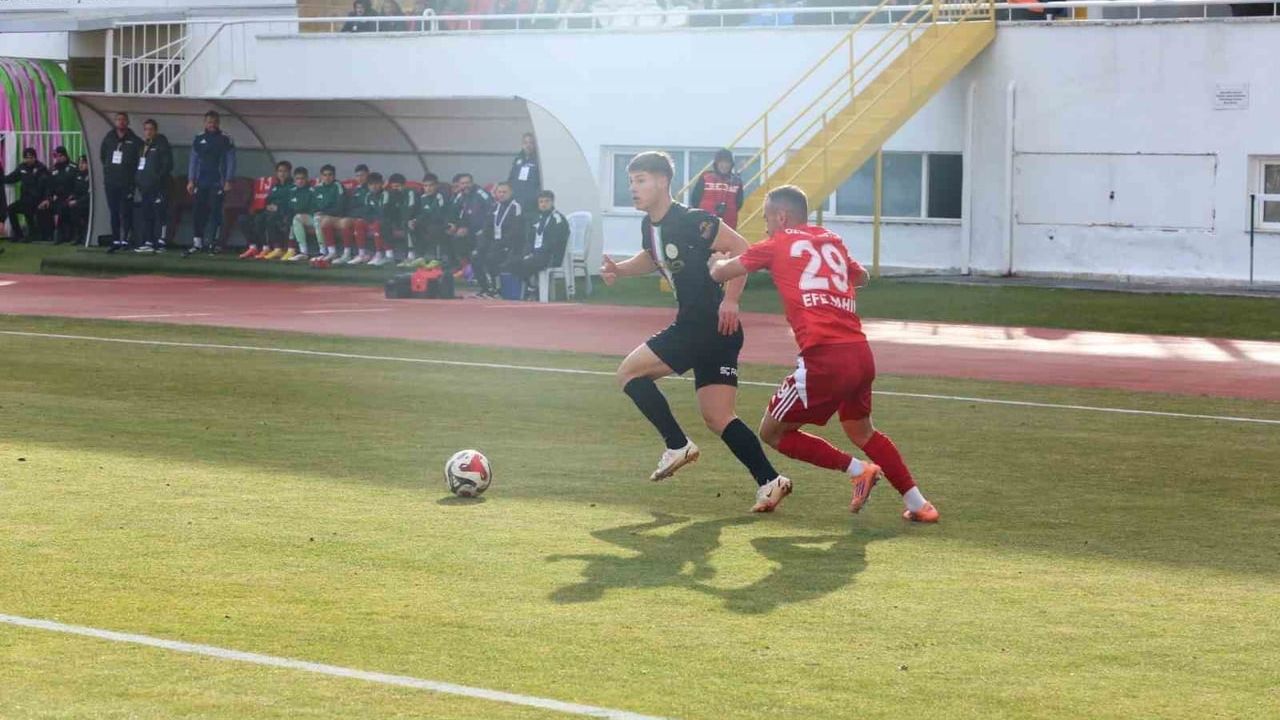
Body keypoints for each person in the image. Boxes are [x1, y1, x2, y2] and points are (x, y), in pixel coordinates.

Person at [709, 185, 939, 522]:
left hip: (824, 357)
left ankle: (859, 470)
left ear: (782, 216)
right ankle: (920, 504)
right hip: (859, 353)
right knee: (862, 431)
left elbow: (723, 273)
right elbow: (861, 276)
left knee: (773, 433)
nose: (765, 227)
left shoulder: (776, 243)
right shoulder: (831, 239)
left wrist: (716, 261)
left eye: (766, 219)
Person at [600, 151, 791, 513]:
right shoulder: (649, 226)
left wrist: (731, 300)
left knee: (628, 373)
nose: (633, 189)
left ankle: (677, 444)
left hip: (702, 323)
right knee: (719, 417)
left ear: (661, 182)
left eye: (640, 180)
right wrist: (620, 270)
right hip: (717, 332)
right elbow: (651, 256)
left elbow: (741, 249)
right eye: (631, 182)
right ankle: (770, 481)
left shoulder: (693, 220)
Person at [185, 110, 236, 256]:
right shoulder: (198, 138)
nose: (211, 125)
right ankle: (197, 242)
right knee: (198, 212)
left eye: (214, 122)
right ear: (205, 123)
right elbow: (193, 161)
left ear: (218, 123)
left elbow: (231, 161)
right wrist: (191, 180)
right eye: (209, 122)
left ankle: (213, 243)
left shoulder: (225, 138)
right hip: (201, 182)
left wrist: (228, 180)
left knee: (215, 213)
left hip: (217, 182)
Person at [505, 189, 569, 298]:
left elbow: (555, 242)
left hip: (550, 256)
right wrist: (527, 253)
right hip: (534, 254)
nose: (544, 204)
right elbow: (530, 239)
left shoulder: (558, 219)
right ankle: (532, 285)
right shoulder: (536, 218)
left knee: (528, 263)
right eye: (541, 202)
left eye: (547, 201)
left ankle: (533, 288)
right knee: (511, 263)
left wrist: (536, 254)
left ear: (552, 202)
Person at [99, 112, 142, 251]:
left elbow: (139, 160)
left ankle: (126, 240)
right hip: (111, 182)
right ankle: (116, 240)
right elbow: (103, 156)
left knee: (126, 211)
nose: (121, 122)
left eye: (124, 120)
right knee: (114, 211)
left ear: (128, 122)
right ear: (115, 122)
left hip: (127, 182)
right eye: (118, 120)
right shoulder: (109, 138)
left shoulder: (135, 140)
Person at [134, 119, 175, 254]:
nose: (148, 132)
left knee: (160, 214)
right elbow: (140, 165)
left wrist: (158, 179)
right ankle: (149, 241)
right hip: (145, 187)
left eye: (151, 129)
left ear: (155, 131)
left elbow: (167, 165)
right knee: (147, 214)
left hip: (159, 187)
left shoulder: (162, 144)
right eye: (146, 129)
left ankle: (161, 242)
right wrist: (139, 180)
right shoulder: (143, 146)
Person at [475, 181, 522, 297]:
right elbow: (487, 228)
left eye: (504, 192)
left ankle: (496, 288)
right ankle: (485, 288)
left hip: (509, 244)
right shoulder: (495, 206)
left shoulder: (516, 207)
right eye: (499, 192)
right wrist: (481, 245)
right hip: (494, 242)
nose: (501, 194)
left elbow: (515, 231)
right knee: (475, 256)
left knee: (492, 257)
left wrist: (501, 243)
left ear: (511, 193)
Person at [239, 160, 293, 259]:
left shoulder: (292, 186)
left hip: (283, 213)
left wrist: (278, 207)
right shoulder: (275, 186)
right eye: (280, 171)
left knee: (263, 219)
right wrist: (268, 206)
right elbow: (268, 200)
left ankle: (269, 247)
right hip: (270, 210)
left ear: (289, 172)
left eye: (285, 171)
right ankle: (253, 246)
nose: (282, 174)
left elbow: (292, 202)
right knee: (243, 219)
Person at [296, 164, 345, 264]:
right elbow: (312, 205)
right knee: (297, 218)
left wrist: (324, 213)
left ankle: (323, 252)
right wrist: (314, 212)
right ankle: (303, 252)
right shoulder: (317, 187)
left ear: (334, 176)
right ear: (321, 176)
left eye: (330, 175)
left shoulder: (338, 186)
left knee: (318, 218)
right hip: (318, 216)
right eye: (325, 175)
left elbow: (341, 207)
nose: (327, 177)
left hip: (334, 217)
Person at [445, 173, 491, 276]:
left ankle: (477, 270)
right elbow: (453, 212)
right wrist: (453, 225)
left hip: (483, 228)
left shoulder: (481, 193)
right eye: (463, 183)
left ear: (472, 183)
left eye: (468, 183)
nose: (465, 185)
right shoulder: (460, 195)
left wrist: (477, 229)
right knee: (450, 235)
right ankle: (463, 267)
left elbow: (491, 211)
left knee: (473, 239)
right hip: (468, 227)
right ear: (459, 185)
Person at [689, 148, 744, 230]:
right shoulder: (705, 177)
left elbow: (739, 203)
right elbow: (695, 199)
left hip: (728, 225)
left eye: (727, 162)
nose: (724, 165)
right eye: (721, 162)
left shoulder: (737, 181)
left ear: (731, 164)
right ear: (716, 163)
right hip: (705, 225)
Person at [3, 148, 49, 242]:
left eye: (30, 157)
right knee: (11, 209)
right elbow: (11, 178)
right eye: (26, 157)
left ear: (35, 157)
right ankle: (18, 234)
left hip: (37, 200)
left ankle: (32, 235)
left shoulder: (41, 168)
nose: (28, 160)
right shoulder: (22, 167)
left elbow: (46, 186)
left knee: (28, 210)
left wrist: (45, 199)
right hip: (24, 199)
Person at [344, 171, 388, 266]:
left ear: (381, 184)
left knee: (377, 224)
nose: (374, 186)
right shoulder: (368, 195)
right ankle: (362, 254)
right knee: (359, 222)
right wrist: (370, 218)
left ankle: (379, 254)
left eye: (376, 184)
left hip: (385, 221)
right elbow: (366, 212)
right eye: (371, 184)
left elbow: (383, 212)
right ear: (368, 185)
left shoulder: (385, 194)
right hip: (373, 220)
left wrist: (372, 218)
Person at [406, 172, 449, 265]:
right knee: (412, 225)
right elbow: (420, 213)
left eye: (431, 185)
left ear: (437, 186)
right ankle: (418, 256)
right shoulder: (423, 197)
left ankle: (437, 258)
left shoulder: (441, 196)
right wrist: (414, 220)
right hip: (427, 222)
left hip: (441, 223)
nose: (428, 188)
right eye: (425, 186)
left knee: (433, 228)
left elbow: (439, 214)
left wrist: (421, 219)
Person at [38, 147, 78, 245]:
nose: (58, 158)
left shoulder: (73, 168)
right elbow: (49, 187)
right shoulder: (53, 170)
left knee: (62, 208)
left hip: (71, 197)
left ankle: (63, 235)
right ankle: (48, 235)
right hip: (57, 198)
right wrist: (47, 199)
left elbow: (77, 185)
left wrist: (73, 195)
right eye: (56, 156)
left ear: (65, 155)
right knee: (42, 208)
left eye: (60, 156)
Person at [278, 166, 314, 261]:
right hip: (295, 217)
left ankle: (295, 250)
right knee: (287, 217)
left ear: (307, 179)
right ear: (294, 179)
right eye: (297, 179)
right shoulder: (292, 190)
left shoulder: (311, 191)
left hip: (311, 218)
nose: (300, 181)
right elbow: (286, 205)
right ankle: (278, 249)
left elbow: (304, 208)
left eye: (302, 178)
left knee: (295, 218)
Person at [56, 155, 91, 246]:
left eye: (83, 163)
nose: (81, 165)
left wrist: (77, 201)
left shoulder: (91, 177)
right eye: (79, 163)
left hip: (87, 202)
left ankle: (82, 236)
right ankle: (63, 236)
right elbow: (76, 190)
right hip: (77, 200)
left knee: (76, 210)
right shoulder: (78, 175)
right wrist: (72, 197)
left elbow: (89, 194)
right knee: (63, 207)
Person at [508, 132, 541, 211]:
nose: (528, 145)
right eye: (525, 142)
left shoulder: (539, 160)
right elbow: (511, 177)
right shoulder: (518, 159)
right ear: (522, 144)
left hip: (531, 201)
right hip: (516, 199)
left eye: (531, 143)